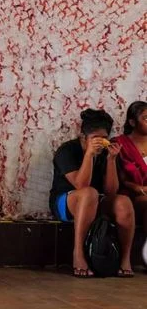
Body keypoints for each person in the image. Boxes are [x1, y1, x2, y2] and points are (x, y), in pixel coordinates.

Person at [50, 109, 135, 278]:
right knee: (89, 193)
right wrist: (88, 155)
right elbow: (81, 185)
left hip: (95, 201)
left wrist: (111, 160)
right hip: (65, 202)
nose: (100, 142)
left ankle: (125, 258)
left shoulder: (105, 152)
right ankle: (78, 253)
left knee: (123, 202)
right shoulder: (67, 151)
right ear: (83, 137)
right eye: (95, 138)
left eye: (103, 138)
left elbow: (111, 191)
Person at [114, 101, 147, 231]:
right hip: (130, 198)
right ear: (132, 122)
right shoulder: (120, 144)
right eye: (146, 118)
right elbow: (122, 181)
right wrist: (140, 188)